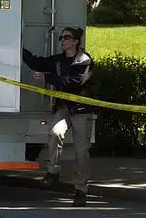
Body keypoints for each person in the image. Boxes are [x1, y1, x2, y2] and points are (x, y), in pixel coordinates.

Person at [22, 26, 95, 207]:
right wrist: (17, 48)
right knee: (55, 132)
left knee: (81, 152)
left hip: (81, 110)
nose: (63, 40)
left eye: (67, 37)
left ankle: (80, 191)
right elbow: (36, 62)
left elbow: (75, 82)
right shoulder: (57, 60)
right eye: (61, 38)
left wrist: (48, 79)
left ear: (76, 41)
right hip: (64, 108)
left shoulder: (84, 60)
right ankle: (52, 172)